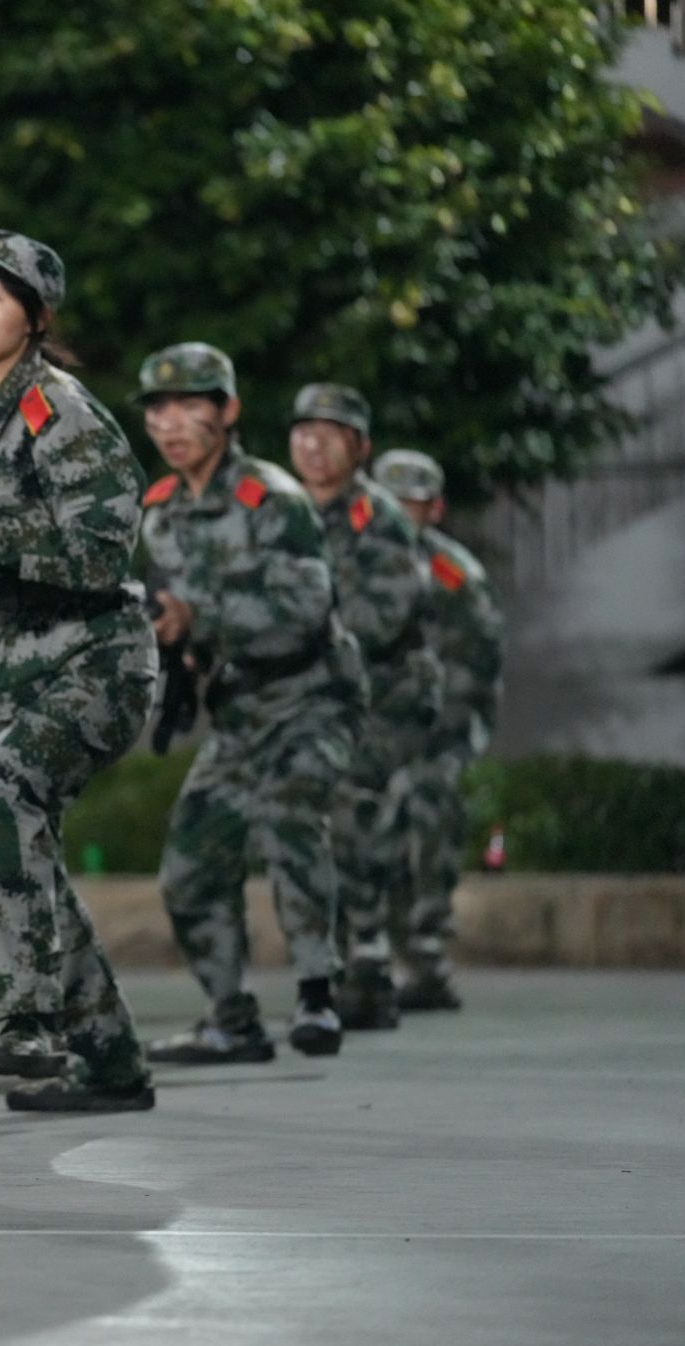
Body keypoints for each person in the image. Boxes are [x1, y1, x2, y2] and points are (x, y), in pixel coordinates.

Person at [0, 230, 157, 1112]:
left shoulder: (63, 412)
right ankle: (112, 1061)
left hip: (97, 655)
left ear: (36, 318)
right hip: (9, 660)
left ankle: (30, 1022)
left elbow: (106, 552)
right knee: (28, 851)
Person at [135, 342, 364, 1064]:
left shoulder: (273, 497)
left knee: (292, 815)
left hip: (313, 696)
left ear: (228, 411)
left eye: (190, 405)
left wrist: (197, 616)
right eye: (158, 408)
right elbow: (166, 611)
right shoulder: (159, 512)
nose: (171, 423)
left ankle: (318, 994)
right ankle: (231, 1019)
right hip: (237, 712)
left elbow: (306, 607)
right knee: (189, 866)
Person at [286, 386, 442, 1029]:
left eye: (331, 434)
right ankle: (339, 953)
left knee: (349, 797)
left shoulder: (381, 519)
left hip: (388, 695)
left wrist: (286, 630)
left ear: (361, 448)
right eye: (304, 431)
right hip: (318, 695)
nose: (314, 445)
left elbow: (381, 619)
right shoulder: (283, 510)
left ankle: (370, 957)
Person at [374, 448, 503, 1010]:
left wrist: (427, 734)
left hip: (438, 727)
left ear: (436, 509)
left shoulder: (453, 575)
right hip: (372, 726)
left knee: (426, 803)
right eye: (389, 502)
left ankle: (424, 955)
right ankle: (359, 956)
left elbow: (474, 667)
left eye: (412, 503)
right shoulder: (348, 560)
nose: (400, 514)